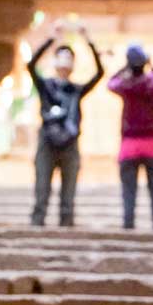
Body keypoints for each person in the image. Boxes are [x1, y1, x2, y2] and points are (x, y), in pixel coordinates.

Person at [27, 21, 104, 227]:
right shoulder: (46, 87)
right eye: (61, 56)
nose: (65, 60)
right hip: (47, 140)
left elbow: (99, 73)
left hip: (70, 142)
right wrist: (51, 39)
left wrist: (88, 42)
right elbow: (31, 66)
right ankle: (37, 227)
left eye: (69, 57)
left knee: (68, 197)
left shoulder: (76, 91)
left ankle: (66, 226)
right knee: (42, 191)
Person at [108, 44, 153, 230]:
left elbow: (111, 83)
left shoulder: (126, 85)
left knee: (129, 193)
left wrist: (124, 68)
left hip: (129, 145)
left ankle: (128, 226)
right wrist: (152, 66)